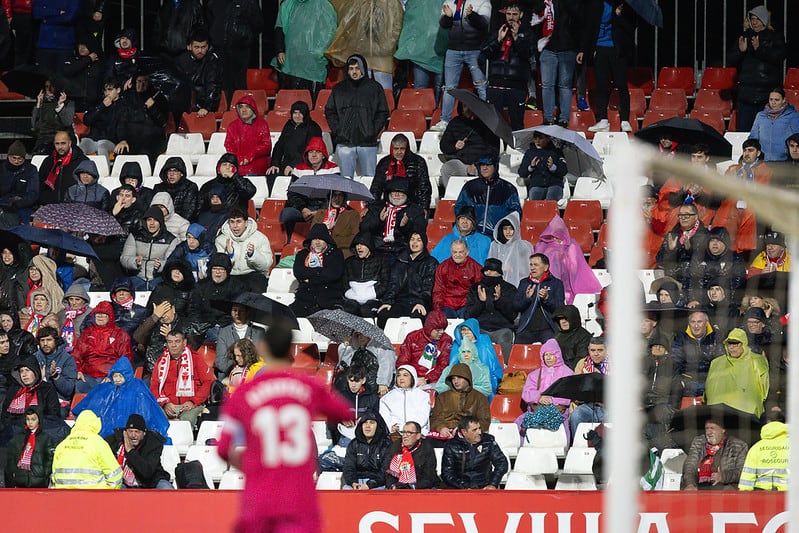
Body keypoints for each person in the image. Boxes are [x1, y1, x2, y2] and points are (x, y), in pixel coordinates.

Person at [217, 317, 351, 532]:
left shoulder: (244, 393)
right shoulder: (308, 386)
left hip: (260, 496)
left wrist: (251, 465)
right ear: (290, 349)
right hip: (298, 498)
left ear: (262, 347)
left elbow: (223, 449)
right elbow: (343, 412)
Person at [324, 54, 390, 179]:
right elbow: (330, 111)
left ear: (363, 69)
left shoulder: (374, 88)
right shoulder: (339, 89)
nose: (354, 72)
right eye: (351, 68)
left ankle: (368, 200)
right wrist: (339, 130)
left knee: (369, 178)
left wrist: (372, 131)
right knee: (345, 180)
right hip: (344, 143)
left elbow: (382, 112)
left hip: (367, 143)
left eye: (357, 68)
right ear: (347, 70)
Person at [72, 357, 169, 439]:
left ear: (127, 375)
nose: (117, 379)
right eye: (115, 376)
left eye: (120, 376)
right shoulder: (105, 388)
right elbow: (90, 407)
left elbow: (148, 410)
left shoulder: (138, 388)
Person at [431, 0, 491, 132]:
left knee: (481, 86)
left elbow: (484, 24)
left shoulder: (482, 1)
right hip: (453, 50)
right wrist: (448, 17)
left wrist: (472, 15)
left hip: (475, 49)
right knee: (449, 88)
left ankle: (486, 120)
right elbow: (443, 25)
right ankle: (445, 120)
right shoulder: (449, 2)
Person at [728, 5, 787, 133]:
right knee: (744, 133)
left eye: (758, 19)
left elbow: (779, 57)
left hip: (766, 96)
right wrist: (740, 51)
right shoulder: (744, 37)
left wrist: (759, 50)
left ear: (765, 20)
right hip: (746, 95)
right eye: (752, 19)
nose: (754, 22)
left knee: (765, 133)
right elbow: (730, 61)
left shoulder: (775, 37)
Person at [582, 0, 636, 133]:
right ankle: (603, 120)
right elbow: (589, 27)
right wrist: (587, 49)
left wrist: (618, 15)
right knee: (601, 85)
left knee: (621, 84)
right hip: (600, 49)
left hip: (617, 50)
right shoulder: (596, 4)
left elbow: (630, 28)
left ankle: (625, 120)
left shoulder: (623, 6)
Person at [481, 0, 532, 131]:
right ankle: (493, 150)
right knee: (492, 126)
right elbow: (485, 53)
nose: (511, 17)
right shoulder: (497, 31)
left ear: (521, 15)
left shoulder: (527, 33)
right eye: (508, 14)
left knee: (517, 125)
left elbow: (528, 54)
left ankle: (517, 150)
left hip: (516, 87)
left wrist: (516, 39)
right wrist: (498, 40)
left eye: (514, 14)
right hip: (496, 85)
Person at [530, 0, 580, 127]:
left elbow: (578, 15)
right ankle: (548, 118)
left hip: (567, 48)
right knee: (547, 85)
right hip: (547, 48)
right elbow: (534, 15)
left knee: (565, 85)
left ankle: (564, 119)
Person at [280, 136, 342, 240]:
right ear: (306, 154)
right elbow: (292, 194)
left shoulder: (333, 169)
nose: (313, 155)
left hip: (325, 208)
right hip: (304, 208)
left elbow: (336, 194)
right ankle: (288, 241)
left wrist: (320, 212)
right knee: (286, 214)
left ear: (323, 155)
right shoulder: (299, 169)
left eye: (317, 152)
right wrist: (303, 209)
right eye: (310, 152)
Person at [149, 329, 214, 428]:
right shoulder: (161, 361)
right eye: (170, 342)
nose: (173, 345)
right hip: (168, 405)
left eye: (177, 341)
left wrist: (193, 401)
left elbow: (208, 382)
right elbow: (154, 386)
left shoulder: (195, 358)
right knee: (155, 418)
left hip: (190, 405)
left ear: (184, 343)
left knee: (185, 423)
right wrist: (164, 403)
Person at [534, 215, 602, 305]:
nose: (555, 238)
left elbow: (575, 266)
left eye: (557, 235)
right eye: (553, 235)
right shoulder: (543, 245)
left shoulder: (571, 245)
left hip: (567, 278)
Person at [270, 0, 335, 93]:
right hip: (292, 62)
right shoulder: (287, 5)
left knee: (313, 99)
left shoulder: (324, 5)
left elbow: (331, 32)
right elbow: (279, 29)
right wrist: (280, 50)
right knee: (292, 99)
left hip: (314, 63)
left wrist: (320, 51)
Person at [376, 232, 439, 328]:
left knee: (418, 317)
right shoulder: (400, 261)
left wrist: (421, 302)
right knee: (383, 314)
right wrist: (387, 301)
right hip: (400, 302)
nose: (414, 242)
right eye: (412, 239)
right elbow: (393, 285)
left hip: (419, 302)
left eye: (418, 240)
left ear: (424, 243)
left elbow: (428, 287)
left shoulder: (430, 262)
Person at [206, 0, 264, 101]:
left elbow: (258, 24)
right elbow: (209, 21)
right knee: (222, 83)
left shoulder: (249, 2)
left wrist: (244, 36)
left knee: (239, 83)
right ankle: (227, 112)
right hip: (220, 49)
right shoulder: (214, 2)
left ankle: (240, 111)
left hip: (240, 48)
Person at [1, 355, 65, 445]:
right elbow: (5, 415)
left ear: (35, 371)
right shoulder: (14, 390)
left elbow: (53, 414)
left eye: (27, 370)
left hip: (41, 429)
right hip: (15, 431)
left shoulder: (46, 389)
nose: (24, 374)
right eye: (21, 371)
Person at [71, 301, 133, 393]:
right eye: (97, 314)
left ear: (110, 317)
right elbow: (76, 355)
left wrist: (114, 376)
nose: (100, 316)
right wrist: (78, 370)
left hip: (110, 376)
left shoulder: (120, 335)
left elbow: (125, 359)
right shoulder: (87, 333)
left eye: (104, 314)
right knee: (79, 385)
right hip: (88, 376)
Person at [704, 328, 769, 418]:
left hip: (747, 414)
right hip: (718, 414)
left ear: (744, 344)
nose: (731, 347)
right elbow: (708, 388)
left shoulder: (756, 361)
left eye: (735, 344)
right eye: (729, 344)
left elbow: (765, 386)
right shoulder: (716, 363)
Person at [454, 154, 522, 237]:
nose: (484, 168)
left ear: (495, 166)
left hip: (497, 237)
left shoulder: (508, 189)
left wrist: (501, 231)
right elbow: (460, 208)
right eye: (482, 165)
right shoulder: (469, 187)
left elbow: (515, 214)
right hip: (473, 235)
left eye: (488, 165)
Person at [360, 178, 429, 260]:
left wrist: (405, 226)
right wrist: (379, 220)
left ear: (407, 194)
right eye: (394, 192)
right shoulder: (376, 207)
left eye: (400, 192)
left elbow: (420, 233)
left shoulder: (415, 210)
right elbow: (364, 228)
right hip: (377, 249)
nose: (397, 195)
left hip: (402, 250)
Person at [52, 409, 123, 489]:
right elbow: (115, 475)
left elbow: (54, 476)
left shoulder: (62, 444)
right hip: (93, 497)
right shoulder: (98, 443)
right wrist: (106, 494)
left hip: (64, 496)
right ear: (96, 424)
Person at [465, 259, 517, 361]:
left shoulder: (509, 289)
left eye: (492, 270)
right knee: (472, 336)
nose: (489, 273)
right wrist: (481, 302)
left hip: (501, 329)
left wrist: (498, 301)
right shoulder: (475, 288)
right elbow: (468, 315)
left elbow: (512, 315)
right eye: (486, 270)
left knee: (505, 337)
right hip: (481, 329)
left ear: (499, 273)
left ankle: (505, 367)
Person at [438, 103, 501, 188]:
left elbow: (493, 150)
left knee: (484, 170)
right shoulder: (455, 122)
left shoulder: (486, 124)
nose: (468, 109)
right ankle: (452, 196)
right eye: (465, 106)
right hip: (461, 161)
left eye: (470, 107)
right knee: (447, 168)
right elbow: (443, 146)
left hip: (481, 163)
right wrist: (454, 146)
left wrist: (477, 164)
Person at [290, 223, 345, 318]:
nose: (317, 242)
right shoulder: (302, 254)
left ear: (326, 240)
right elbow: (299, 272)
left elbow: (333, 274)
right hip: (304, 300)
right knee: (284, 317)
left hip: (329, 301)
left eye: (320, 239)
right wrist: (321, 271)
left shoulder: (336, 254)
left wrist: (309, 279)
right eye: (314, 239)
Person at [104, 413, 173, 489]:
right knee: (116, 489)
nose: (133, 435)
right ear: (125, 432)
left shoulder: (153, 443)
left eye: (137, 432)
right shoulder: (116, 441)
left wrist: (130, 451)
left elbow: (147, 472)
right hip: (124, 482)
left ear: (144, 433)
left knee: (166, 487)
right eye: (130, 431)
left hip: (151, 481)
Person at [517, 338, 573, 432]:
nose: (548, 357)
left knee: (562, 427)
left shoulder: (568, 373)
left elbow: (570, 393)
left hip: (558, 412)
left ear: (557, 355)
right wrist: (539, 397)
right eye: (546, 354)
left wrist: (552, 399)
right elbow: (526, 393)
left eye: (551, 354)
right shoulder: (535, 374)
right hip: (536, 411)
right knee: (518, 423)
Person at [187, 253, 243, 345]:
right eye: (215, 269)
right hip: (205, 326)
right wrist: (201, 323)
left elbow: (240, 311)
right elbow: (193, 309)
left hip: (228, 326)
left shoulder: (237, 286)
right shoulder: (201, 286)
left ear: (227, 271)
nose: (218, 272)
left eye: (221, 269)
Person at [214, 207, 273, 292]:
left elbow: (266, 265)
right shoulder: (221, 240)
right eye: (232, 222)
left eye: (238, 221)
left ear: (246, 223)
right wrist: (229, 255)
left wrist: (253, 255)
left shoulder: (260, 238)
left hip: (253, 275)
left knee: (258, 282)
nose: (235, 226)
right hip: (231, 276)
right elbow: (220, 267)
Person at [120, 206, 179, 291]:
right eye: (149, 220)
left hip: (158, 278)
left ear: (160, 222)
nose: (152, 223)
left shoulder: (170, 239)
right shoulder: (135, 236)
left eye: (155, 220)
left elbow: (172, 262)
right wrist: (135, 262)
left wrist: (160, 266)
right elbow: (124, 258)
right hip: (137, 277)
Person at [441, 415, 507, 489]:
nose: (479, 432)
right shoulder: (451, 446)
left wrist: (493, 484)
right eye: (474, 430)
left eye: (479, 428)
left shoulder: (488, 442)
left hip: (484, 488)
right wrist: (464, 487)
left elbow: (502, 463)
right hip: (460, 490)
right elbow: (447, 474)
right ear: (464, 432)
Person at [117, 73, 169, 165]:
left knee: (145, 154)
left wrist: (153, 107)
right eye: (139, 81)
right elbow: (122, 122)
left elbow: (163, 122)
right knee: (122, 151)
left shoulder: (158, 98)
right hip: (131, 140)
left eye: (145, 81)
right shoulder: (127, 98)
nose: (142, 84)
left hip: (152, 141)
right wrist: (122, 139)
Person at [371, 133, 433, 212]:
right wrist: (372, 207)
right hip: (389, 205)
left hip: (412, 205)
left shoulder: (418, 162)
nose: (399, 152)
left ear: (406, 149)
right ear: (392, 148)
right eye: (396, 149)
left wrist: (424, 207)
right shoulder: (384, 163)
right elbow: (376, 187)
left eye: (402, 149)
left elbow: (424, 187)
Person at [266, 101, 323, 185]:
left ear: (305, 114)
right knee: (272, 174)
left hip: (305, 164)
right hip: (286, 163)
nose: (297, 116)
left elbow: (311, 151)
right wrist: (275, 164)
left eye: (300, 113)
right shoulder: (289, 125)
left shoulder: (313, 128)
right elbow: (279, 146)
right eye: (295, 113)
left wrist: (293, 165)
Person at [683, 418, 749, 490]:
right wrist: (690, 484)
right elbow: (690, 465)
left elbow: (742, 471)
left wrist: (723, 477)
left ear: (723, 430)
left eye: (712, 428)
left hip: (726, 489)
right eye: (707, 428)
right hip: (700, 487)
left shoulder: (738, 445)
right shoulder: (699, 442)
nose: (709, 432)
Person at [430, 363, 490, 441]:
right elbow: (434, 419)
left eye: (459, 378)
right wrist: (441, 428)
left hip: (469, 436)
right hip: (445, 437)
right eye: (453, 378)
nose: (456, 381)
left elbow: (484, 421)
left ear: (467, 378)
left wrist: (465, 430)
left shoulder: (480, 398)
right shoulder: (442, 397)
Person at [514, 253, 565, 344]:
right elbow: (516, 306)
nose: (532, 268)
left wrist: (547, 299)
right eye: (531, 265)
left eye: (536, 265)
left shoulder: (556, 283)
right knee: (518, 350)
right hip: (526, 328)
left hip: (548, 329)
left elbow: (560, 308)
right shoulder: (524, 283)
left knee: (552, 347)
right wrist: (527, 298)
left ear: (546, 267)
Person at [671, 310, 724, 399]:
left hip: (710, 381)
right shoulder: (681, 337)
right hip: (688, 382)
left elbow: (721, 361)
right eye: (693, 322)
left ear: (706, 323)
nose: (696, 326)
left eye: (699, 322)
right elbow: (675, 360)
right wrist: (679, 381)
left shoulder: (716, 337)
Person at [173, 28, 223, 118]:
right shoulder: (180, 61)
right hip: (183, 105)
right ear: (189, 47)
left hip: (204, 104)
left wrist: (207, 107)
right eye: (196, 47)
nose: (200, 51)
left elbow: (213, 87)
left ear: (207, 47)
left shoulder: (212, 61)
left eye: (203, 47)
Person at [656, 203, 709, 287]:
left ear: (695, 217)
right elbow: (660, 261)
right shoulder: (672, 234)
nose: (683, 218)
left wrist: (689, 251)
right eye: (680, 215)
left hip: (695, 285)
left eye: (687, 215)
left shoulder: (706, 235)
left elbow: (706, 262)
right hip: (673, 284)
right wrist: (670, 251)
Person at [396, 310, 452, 387]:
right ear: (429, 328)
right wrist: (410, 378)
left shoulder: (446, 340)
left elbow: (443, 365)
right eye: (438, 330)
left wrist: (427, 379)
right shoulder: (412, 337)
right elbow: (402, 362)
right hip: (410, 378)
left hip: (433, 380)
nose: (441, 332)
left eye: (443, 329)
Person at [79, 77, 129, 161]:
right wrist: (101, 107)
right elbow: (87, 120)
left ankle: (104, 172)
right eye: (105, 90)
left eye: (110, 90)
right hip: (92, 139)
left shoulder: (123, 107)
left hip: (110, 141)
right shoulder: (99, 103)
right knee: (81, 147)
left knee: (102, 145)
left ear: (118, 90)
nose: (107, 93)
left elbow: (124, 127)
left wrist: (123, 140)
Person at [569, 336, 609, 437]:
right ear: (588, 350)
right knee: (576, 415)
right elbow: (575, 389)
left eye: (600, 350)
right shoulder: (582, 364)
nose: (596, 353)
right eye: (592, 350)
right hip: (588, 405)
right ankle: (577, 446)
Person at [4, 406, 54, 488]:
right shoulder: (18, 438)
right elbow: (11, 459)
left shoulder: (45, 438)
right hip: (20, 480)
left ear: (39, 420)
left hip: (39, 481)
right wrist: (14, 474)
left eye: (33, 419)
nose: (30, 422)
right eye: (28, 419)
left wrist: (44, 474)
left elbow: (50, 459)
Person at [341, 233, 389, 317]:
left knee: (366, 310)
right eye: (357, 245)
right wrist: (350, 294)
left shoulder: (381, 261)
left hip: (374, 299)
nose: (359, 247)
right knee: (348, 310)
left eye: (362, 244)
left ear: (369, 246)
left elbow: (385, 283)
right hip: (352, 299)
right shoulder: (349, 262)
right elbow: (344, 283)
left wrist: (372, 294)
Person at [450, 319, 503, 394]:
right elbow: (452, 365)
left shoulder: (484, 340)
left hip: (483, 377)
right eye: (463, 330)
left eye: (469, 330)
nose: (465, 333)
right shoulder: (457, 344)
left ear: (474, 330)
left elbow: (492, 361)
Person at [33, 326, 77, 417]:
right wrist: (38, 380)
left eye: (49, 340)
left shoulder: (67, 359)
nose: (45, 343)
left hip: (59, 399)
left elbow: (68, 390)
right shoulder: (34, 358)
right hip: (36, 397)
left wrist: (56, 376)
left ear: (56, 341)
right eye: (42, 340)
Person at [738, 411, 788, 491]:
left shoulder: (756, 448)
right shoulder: (795, 446)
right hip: (790, 495)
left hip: (763, 496)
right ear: (785, 423)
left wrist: (745, 496)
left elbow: (747, 479)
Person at [224, 95, 272, 177]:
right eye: (241, 107)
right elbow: (229, 145)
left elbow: (266, 146)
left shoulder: (262, 124)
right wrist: (239, 159)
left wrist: (250, 156)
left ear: (253, 109)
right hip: (238, 163)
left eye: (247, 107)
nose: (243, 110)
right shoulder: (232, 126)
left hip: (257, 164)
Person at [433, 239, 483, 319]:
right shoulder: (442, 267)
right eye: (455, 252)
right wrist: (438, 310)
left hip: (466, 304)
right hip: (447, 305)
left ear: (467, 252)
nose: (457, 255)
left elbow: (478, 292)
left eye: (461, 252)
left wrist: (473, 307)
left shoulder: (476, 268)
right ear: (451, 252)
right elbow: (438, 291)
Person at [341, 411, 391, 490]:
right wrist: (353, 483)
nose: (367, 426)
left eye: (372, 423)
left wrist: (369, 485)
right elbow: (348, 468)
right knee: (346, 489)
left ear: (378, 426)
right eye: (364, 422)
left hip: (378, 484)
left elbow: (386, 471)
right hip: (356, 482)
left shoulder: (386, 445)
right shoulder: (354, 444)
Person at [383, 421, 440, 489]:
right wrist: (392, 485)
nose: (405, 435)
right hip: (398, 486)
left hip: (421, 486)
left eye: (409, 433)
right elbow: (388, 471)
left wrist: (412, 487)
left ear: (418, 436)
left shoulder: (426, 448)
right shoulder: (396, 446)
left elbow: (429, 476)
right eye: (403, 432)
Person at [37, 130, 88, 206]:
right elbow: (40, 185)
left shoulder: (82, 161)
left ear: (69, 143)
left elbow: (88, 186)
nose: (60, 147)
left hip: (74, 206)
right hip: (50, 205)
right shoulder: (48, 161)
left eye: (63, 143)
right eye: (57, 144)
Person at [338, 332, 397, 397]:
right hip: (360, 384)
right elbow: (347, 365)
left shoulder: (383, 346)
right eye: (358, 335)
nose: (360, 337)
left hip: (376, 386)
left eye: (363, 334)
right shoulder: (358, 349)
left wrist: (383, 383)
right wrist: (345, 347)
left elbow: (386, 365)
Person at [748, 88, 799, 162]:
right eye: (771, 99)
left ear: (784, 100)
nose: (773, 102)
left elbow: (797, 138)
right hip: (763, 161)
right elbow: (753, 137)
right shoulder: (760, 116)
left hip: (784, 160)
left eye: (776, 100)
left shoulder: (793, 116)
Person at [379, 365, 432, 436]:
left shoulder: (423, 396)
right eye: (398, 375)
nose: (401, 378)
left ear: (412, 378)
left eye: (405, 375)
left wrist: (408, 429)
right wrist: (392, 426)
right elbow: (385, 417)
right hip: (396, 434)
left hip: (418, 434)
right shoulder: (386, 398)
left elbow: (423, 416)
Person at [215, 304, 265, 378]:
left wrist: (250, 349)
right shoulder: (224, 332)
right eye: (234, 310)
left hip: (253, 377)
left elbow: (263, 359)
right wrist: (238, 357)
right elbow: (220, 363)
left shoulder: (259, 332)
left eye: (241, 311)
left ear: (247, 312)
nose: (237, 313)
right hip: (229, 377)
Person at [32, 0, 80, 74]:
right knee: (43, 79)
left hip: (65, 44)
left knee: (63, 80)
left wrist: (46, 20)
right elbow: (37, 13)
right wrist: (57, 12)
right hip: (44, 43)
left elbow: (70, 17)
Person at [517, 131, 568, 200]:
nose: (537, 141)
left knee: (550, 202)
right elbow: (522, 173)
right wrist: (531, 167)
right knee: (535, 203)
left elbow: (564, 171)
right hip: (536, 185)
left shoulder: (557, 152)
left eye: (541, 138)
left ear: (548, 139)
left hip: (554, 185)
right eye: (535, 138)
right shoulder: (529, 153)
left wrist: (553, 167)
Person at [488, 213, 534, 287]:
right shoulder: (495, 245)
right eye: (505, 229)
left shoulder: (523, 246)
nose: (508, 232)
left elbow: (527, 269)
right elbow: (490, 266)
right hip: (498, 285)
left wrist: (513, 268)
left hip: (519, 285)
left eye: (511, 228)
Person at [0, 140, 40, 227]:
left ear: (24, 158)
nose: (16, 161)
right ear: (8, 156)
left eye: (19, 158)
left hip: (24, 206)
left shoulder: (31, 170)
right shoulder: (2, 169)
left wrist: (17, 204)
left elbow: (33, 194)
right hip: (3, 205)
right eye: (14, 158)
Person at [310, 191, 360, 258]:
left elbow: (354, 236)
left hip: (341, 250)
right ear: (330, 196)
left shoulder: (353, 214)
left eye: (340, 195)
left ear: (344, 198)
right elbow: (312, 234)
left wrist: (332, 241)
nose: (337, 198)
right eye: (334, 195)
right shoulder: (320, 213)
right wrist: (322, 228)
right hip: (320, 250)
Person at [31, 79, 75, 154]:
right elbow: (34, 126)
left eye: (51, 86)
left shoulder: (68, 103)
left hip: (62, 138)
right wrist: (38, 106)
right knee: (41, 150)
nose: (49, 89)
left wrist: (60, 106)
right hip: (45, 139)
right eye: (47, 86)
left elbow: (67, 122)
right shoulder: (42, 104)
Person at [152, 157, 199, 223]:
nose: (171, 174)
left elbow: (188, 212)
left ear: (181, 173)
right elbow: (154, 211)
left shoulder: (190, 187)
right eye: (169, 171)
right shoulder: (159, 188)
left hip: (182, 224)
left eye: (175, 171)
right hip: (160, 224)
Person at [552, 305, 592, 370]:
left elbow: (581, 361)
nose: (563, 321)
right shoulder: (557, 336)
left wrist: (562, 371)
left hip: (573, 373)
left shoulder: (584, 337)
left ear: (573, 318)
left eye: (566, 318)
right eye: (560, 319)